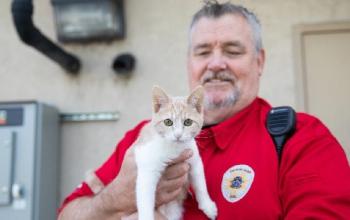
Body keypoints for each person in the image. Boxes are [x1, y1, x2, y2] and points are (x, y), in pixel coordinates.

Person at [58, 1, 350, 219]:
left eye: (233, 51)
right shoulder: (142, 137)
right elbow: (67, 214)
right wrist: (114, 199)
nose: (216, 64)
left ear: (259, 62)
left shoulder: (303, 138)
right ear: (189, 63)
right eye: (203, 52)